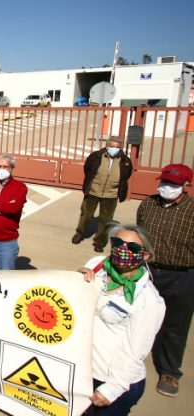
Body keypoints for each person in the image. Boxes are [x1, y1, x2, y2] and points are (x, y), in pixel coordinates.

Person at [77, 224, 165, 415]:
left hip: (112, 382)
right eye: (117, 242)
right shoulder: (96, 264)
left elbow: (135, 352)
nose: (122, 250)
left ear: (146, 255)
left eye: (132, 248)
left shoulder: (148, 301)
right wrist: (77, 281)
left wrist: (112, 388)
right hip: (84, 371)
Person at [136, 164, 194, 398]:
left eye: (173, 184)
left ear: (185, 185)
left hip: (182, 275)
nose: (167, 187)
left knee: (174, 326)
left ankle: (169, 371)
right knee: (136, 316)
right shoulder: (148, 204)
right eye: (165, 182)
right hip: (148, 272)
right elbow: (139, 234)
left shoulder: (192, 210)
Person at [73, 136, 133, 252]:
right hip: (93, 191)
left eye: (116, 147)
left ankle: (99, 242)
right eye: (111, 146)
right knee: (86, 214)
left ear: (120, 148)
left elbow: (126, 175)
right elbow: (88, 169)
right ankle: (79, 233)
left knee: (106, 219)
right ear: (106, 146)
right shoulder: (96, 156)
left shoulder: (125, 161)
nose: (113, 149)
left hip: (111, 194)